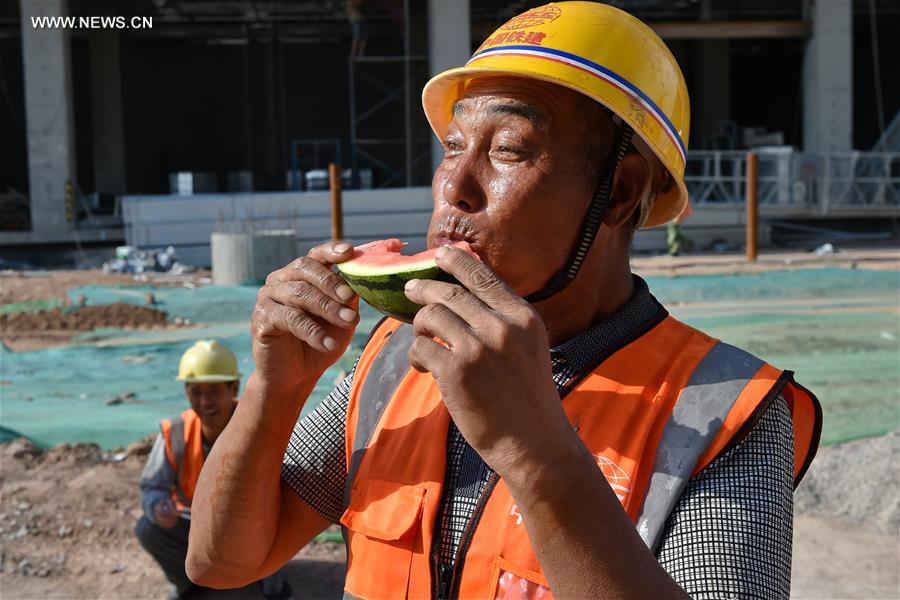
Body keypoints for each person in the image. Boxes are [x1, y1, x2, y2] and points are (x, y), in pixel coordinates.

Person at [186, 3, 822, 598]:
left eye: (508, 150)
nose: (454, 188)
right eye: (454, 148)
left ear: (622, 191)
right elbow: (222, 562)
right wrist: (275, 391)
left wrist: (537, 453)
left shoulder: (727, 413)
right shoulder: (391, 360)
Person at [135, 340, 292, 600]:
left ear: (234, 388)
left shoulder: (260, 427)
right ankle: (188, 585)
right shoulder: (175, 434)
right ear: (186, 391)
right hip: (191, 525)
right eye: (196, 392)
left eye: (214, 392)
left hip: (250, 525)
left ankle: (272, 588)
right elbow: (153, 487)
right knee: (148, 529)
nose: (205, 402)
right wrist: (159, 507)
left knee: (275, 525)